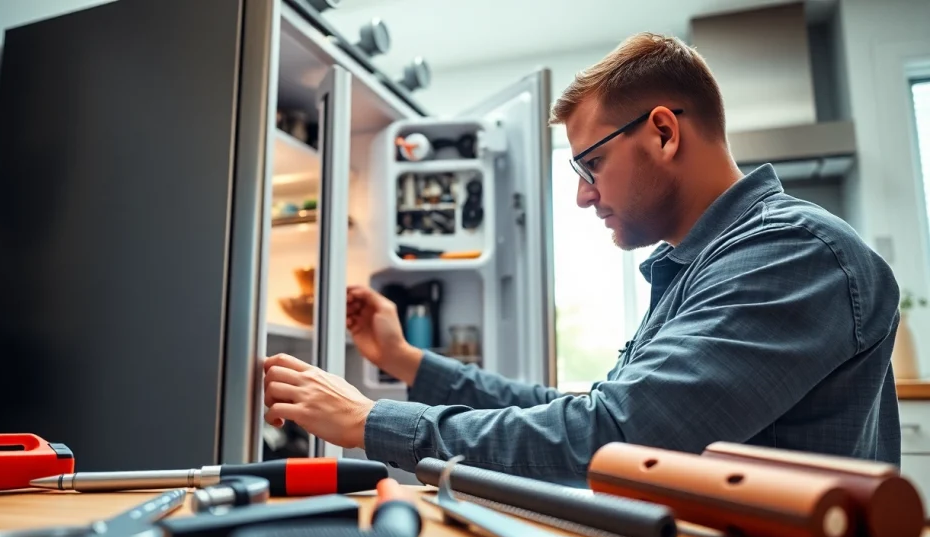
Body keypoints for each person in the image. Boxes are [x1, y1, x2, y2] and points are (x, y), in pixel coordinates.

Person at [262, 32, 901, 485]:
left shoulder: (790, 253)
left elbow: (613, 435)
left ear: (663, 132)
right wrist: (404, 361)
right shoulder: (703, 265)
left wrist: (372, 420)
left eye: (591, 164)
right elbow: (579, 408)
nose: (581, 195)